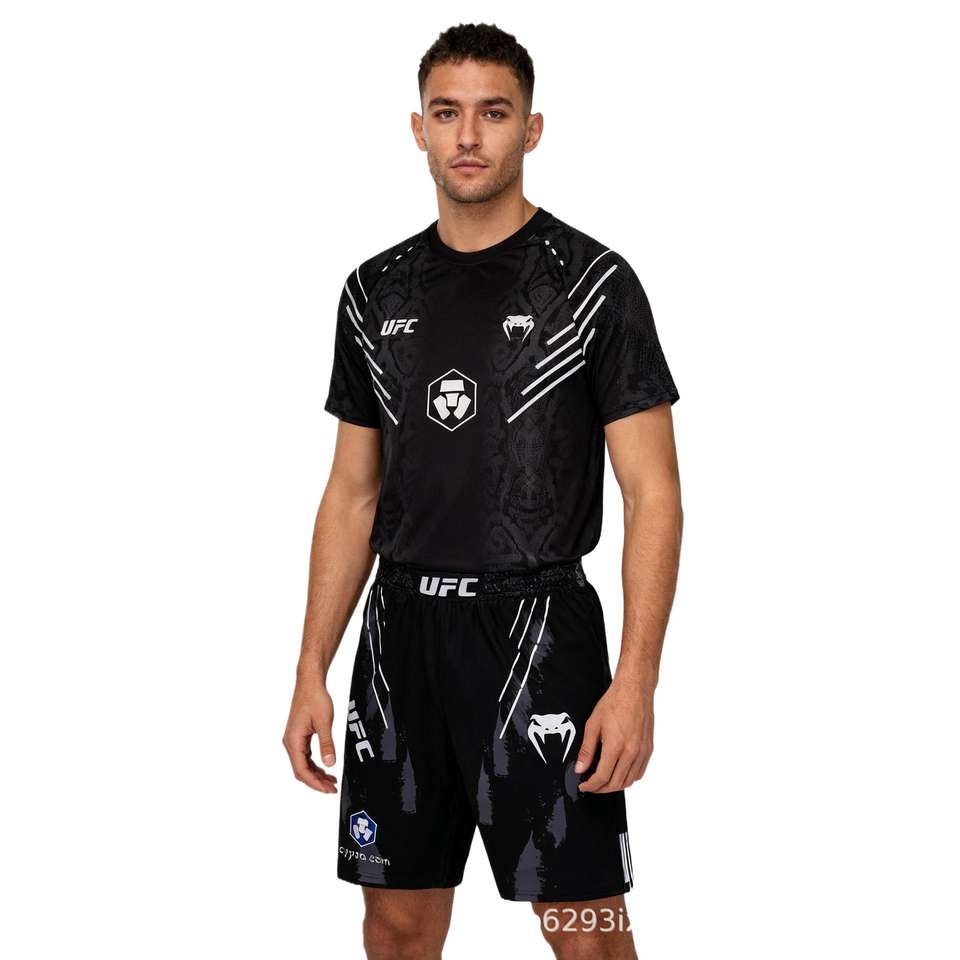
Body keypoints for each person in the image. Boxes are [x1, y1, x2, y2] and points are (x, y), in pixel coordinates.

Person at [283, 22, 682, 960]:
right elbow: (351, 494)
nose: (468, 135)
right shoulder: (374, 292)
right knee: (396, 923)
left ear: (531, 129)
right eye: (447, 113)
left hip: (540, 635)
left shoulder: (593, 284)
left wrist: (637, 680)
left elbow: (654, 493)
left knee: (585, 928)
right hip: (401, 637)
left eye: (493, 113)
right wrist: (311, 667)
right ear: (417, 128)